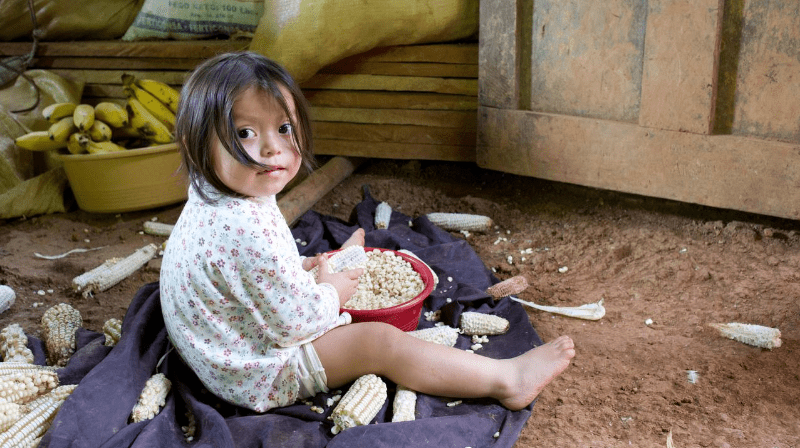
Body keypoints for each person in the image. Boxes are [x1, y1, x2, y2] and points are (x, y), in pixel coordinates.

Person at [160, 51, 575, 414]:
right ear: (193, 143)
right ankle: (507, 379)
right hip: (253, 374)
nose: (273, 148)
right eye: (244, 133)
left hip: (216, 347)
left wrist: (301, 267)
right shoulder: (243, 228)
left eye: (284, 128)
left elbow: (237, 273)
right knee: (379, 342)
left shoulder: (215, 192)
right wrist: (333, 292)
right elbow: (294, 325)